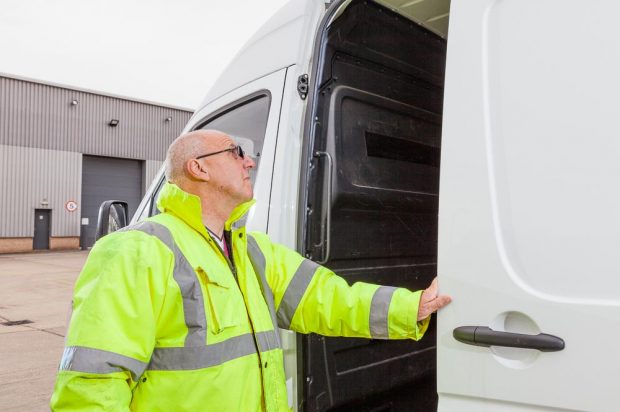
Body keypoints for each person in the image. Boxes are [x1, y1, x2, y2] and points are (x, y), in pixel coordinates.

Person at [50, 129, 451, 411]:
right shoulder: (135, 251)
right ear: (199, 168)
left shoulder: (251, 252)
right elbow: (93, 384)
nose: (250, 161)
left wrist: (411, 306)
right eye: (236, 152)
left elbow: (328, 298)